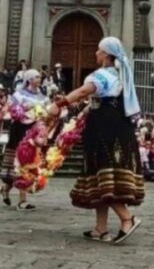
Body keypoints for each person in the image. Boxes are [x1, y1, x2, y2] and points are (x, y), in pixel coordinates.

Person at [47, 36, 144, 245]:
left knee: (103, 173)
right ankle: (100, 228)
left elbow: (83, 91)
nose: (96, 53)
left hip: (104, 131)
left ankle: (127, 218)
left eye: (99, 50)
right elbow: (99, 101)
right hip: (117, 128)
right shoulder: (120, 75)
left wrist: (60, 104)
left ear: (107, 55)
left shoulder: (102, 75)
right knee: (104, 176)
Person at [0, 69, 48, 210]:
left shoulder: (42, 96)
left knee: (27, 163)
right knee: (19, 162)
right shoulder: (18, 94)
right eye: (36, 77)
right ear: (29, 80)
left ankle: (6, 189)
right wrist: (24, 111)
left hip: (34, 131)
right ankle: (22, 200)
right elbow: (11, 110)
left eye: (39, 77)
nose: (39, 79)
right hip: (20, 130)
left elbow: (47, 111)